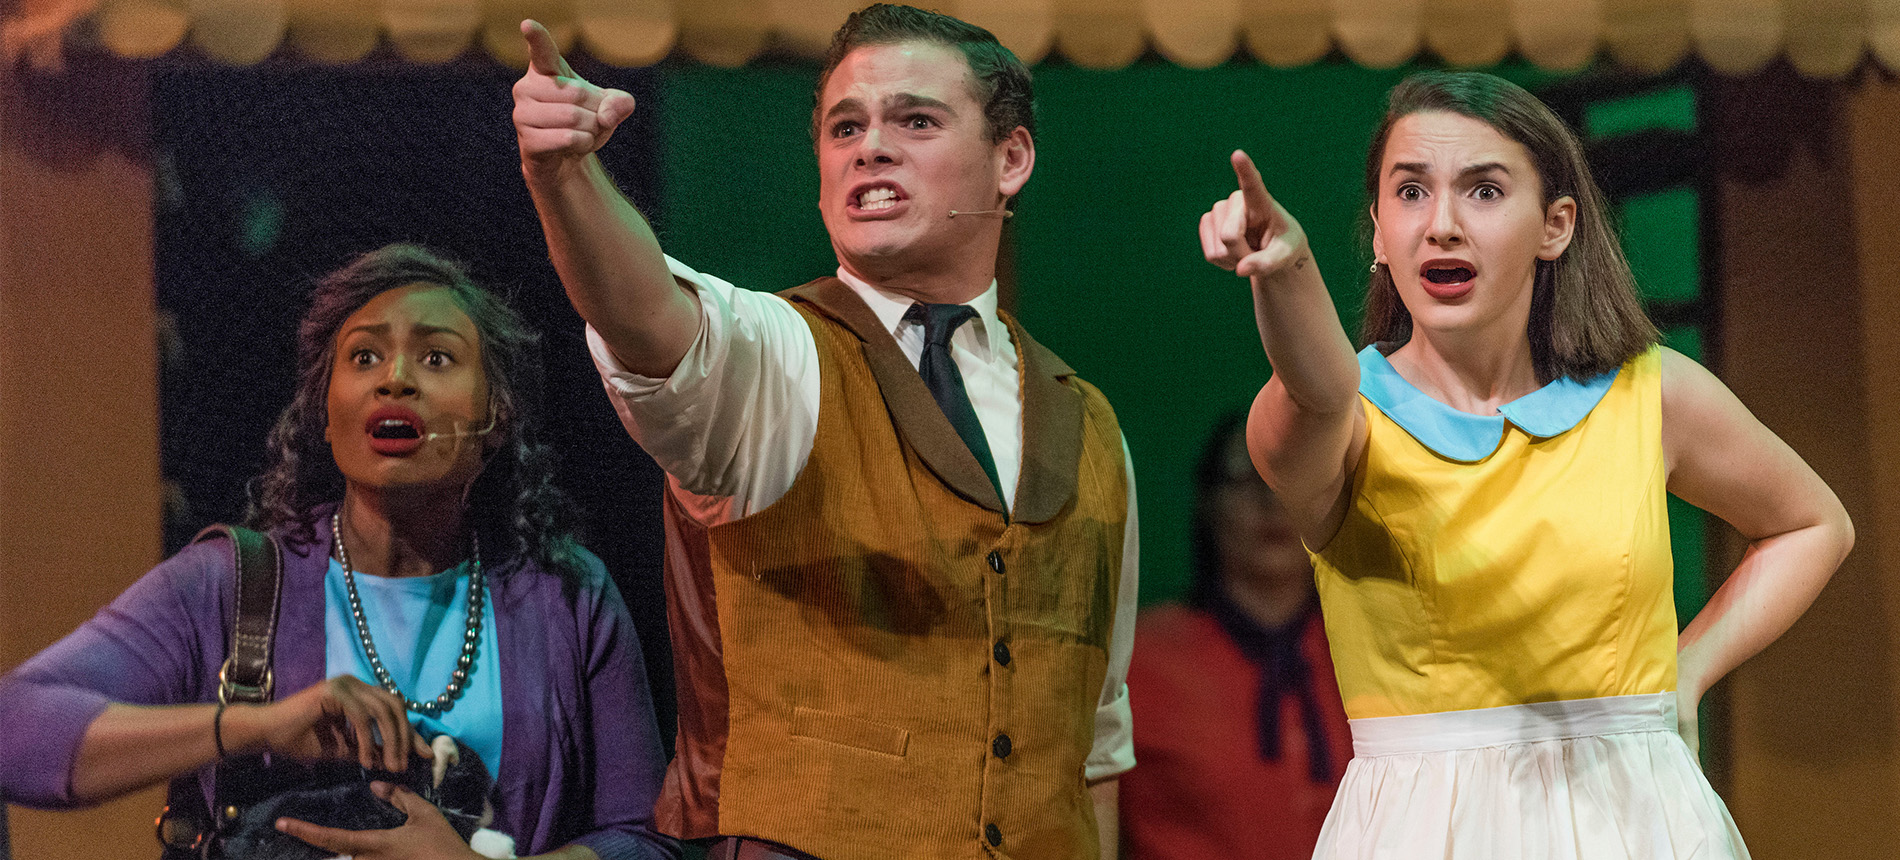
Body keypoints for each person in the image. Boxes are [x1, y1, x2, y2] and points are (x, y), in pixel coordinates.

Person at [510, 5, 1138, 859]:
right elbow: (646, 314)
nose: (870, 146)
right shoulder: (777, 353)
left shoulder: (1088, 422)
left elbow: (1092, 746)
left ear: (1011, 158)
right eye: (847, 126)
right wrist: (566, 179)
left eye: (914, 119)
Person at [1198, 71, 1853, 859]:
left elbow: (1814, 524)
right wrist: (1287, 270)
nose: (1440, 224)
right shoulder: (1347, 418)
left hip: (1637, 821)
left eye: (1483, 191)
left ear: (1557, 224)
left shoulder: (1649, 392)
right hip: (1427, 832)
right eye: (1410, 193)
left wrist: (1689, 668)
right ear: (1376, 230)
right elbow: (1317, 386)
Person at [0, 244, 678, 860]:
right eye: (365, 358)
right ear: (327, 415)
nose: (396, 380)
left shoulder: (566, 596)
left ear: (495, 418)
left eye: (436, 358)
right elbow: (15, 731)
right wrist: (258, 725)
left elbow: (648, 840)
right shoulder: (231, 588)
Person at [1119, 413, 1350, 860]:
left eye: (1289, 475)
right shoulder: (1140, 661)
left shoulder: (1372, 655)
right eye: (1244, 476)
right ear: (1208, 504)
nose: (1270, 499)